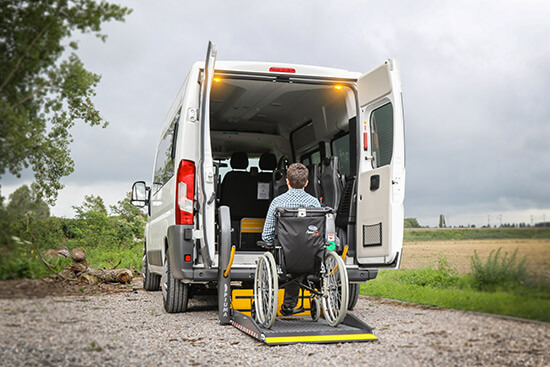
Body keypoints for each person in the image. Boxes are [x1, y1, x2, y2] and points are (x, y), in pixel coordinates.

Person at [261, 162, 320, 316]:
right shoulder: (314, 203)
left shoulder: (278, 203)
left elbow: (266, 235)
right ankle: (294, 303)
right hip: (310, 257)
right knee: (300, 269)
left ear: (287, 181)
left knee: (287, 261)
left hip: (286, 257)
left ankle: (283, 305)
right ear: (306, 183)